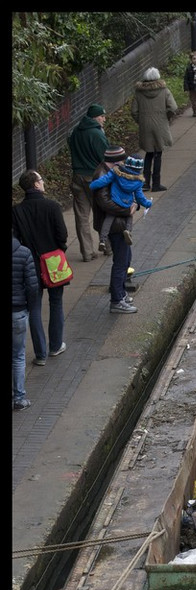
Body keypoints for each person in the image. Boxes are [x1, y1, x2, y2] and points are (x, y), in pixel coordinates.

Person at [12, 170, 70, 362]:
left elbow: (16, 239)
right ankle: (55, 346)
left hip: (30, 265)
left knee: (34, 308)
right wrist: (58, 249)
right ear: (36, 185)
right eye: (41, 180)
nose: (43, 182)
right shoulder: (52, 206)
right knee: (56, 303)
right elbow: (62, 235)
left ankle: (40, 354)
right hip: (53, 263)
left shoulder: (17, 211)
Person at [91, 146, 139, 314]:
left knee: (126, 259)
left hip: (118, 223)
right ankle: (117, 299)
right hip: (114, 226)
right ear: (115, 162)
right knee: (120, 262)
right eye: (122, 160)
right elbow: (104, 203)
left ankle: (120, 293)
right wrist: (127, 210)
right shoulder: (101, 176)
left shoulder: (111, 173)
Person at [67, 103, 109, 261]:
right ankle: (107, 246)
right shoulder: (96, 134)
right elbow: (105, 157)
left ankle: (87, 251)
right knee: (102, 212)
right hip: (94, 177)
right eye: (101, 116)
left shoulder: (75, 131)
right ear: (94, 117)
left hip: (77, 176)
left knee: (82, 216)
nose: (104, 119)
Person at [90, 155, 152, 250]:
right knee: (129, 217)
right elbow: (140, 197)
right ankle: (128, 231)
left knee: (108, 219)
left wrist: (93, 185)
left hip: (115, 200)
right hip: (127, 203)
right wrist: (148, 203)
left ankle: (102, 239)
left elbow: (104, 180)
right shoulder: (138, 182)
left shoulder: (116, 173)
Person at [131, 67, 177, 192]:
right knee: (158, 154)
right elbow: (173, 107)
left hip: (145, 126)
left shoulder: (139, 93)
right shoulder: (164, 91)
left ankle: (145, 183)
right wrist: (166, 117)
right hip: (160, 125)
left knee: (148, 153)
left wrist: (141, 121)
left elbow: (134, 111)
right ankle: (156, 184)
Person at [12, 233, 40, 411]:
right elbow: (32, 286)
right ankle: (19, 398)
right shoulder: (24, 253)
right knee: (18, 356)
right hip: (18, 311)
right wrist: (29, 307)